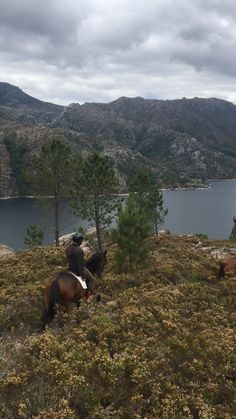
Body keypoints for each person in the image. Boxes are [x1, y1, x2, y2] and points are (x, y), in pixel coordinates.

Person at [65, 233, 95, 301]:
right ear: (79, 241)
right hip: (76, 269)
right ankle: (89, 296)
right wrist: (83, 276)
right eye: (81, 241)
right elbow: (80, 265)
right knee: (92, 280)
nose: (81, 242)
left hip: (70, 268)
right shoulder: (79, 251)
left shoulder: (68, 248)